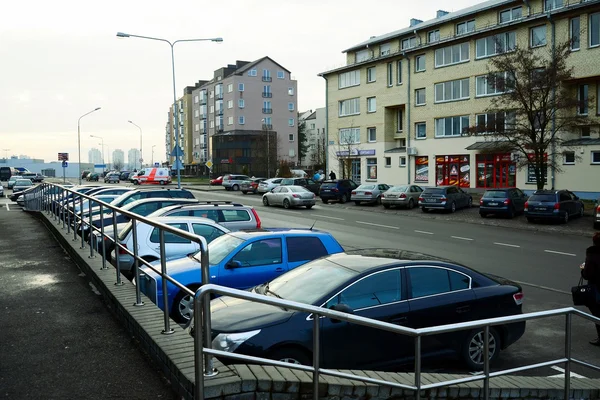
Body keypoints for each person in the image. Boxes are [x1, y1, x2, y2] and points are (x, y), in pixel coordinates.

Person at [581, 232, 600, 345]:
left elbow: (588, 274)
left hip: (597, 289)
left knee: (598, 313)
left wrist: (583, 269)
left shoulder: (593, 255)